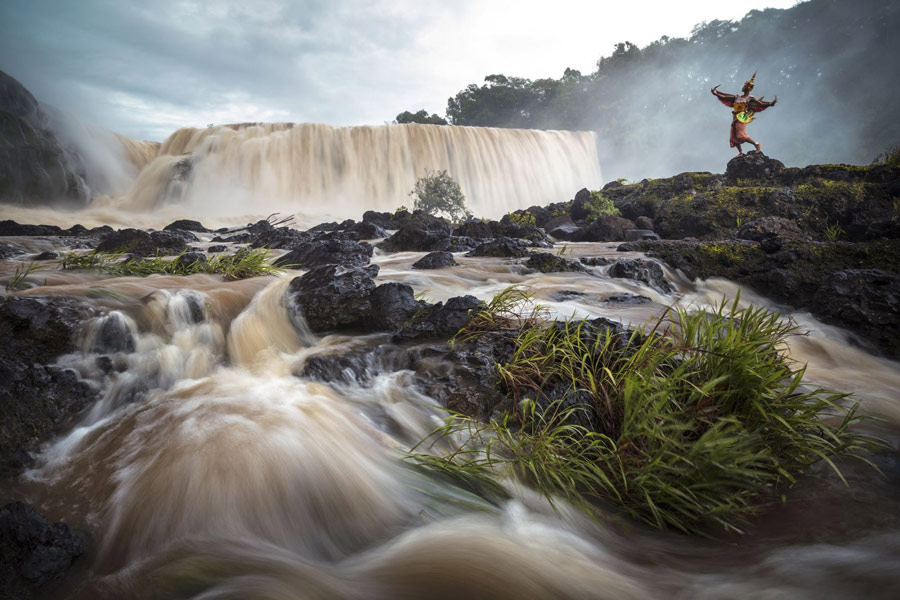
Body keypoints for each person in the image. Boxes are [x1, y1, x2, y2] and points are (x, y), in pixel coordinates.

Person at [711, 72, 777, 156]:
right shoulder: (737, 97)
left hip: (742, 117)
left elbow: (760, 104)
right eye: (744, 85)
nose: (744, 87)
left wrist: (770, 103)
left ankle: (756, 144)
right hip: (735, 117)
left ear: (749, 88)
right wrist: (716, 93)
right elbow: (724, 97)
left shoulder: (750, 98)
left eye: (746, 86)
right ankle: (740, 152)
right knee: (733, 137)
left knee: (740, 136)